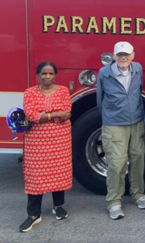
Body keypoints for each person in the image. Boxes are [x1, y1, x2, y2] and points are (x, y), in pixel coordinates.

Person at [97, 41, 145, 220]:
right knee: (116, 164)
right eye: (119, 54)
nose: (123, 57)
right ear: (114, 56)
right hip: (114, 125)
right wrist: (111, 117)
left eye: (126, 54)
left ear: (133, 56)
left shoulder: (137, 69)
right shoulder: (104, 74)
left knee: (138, 159)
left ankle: (138, 194)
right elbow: (100, 100)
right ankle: (114, 202)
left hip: (136, 123)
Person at [19, 62, 73, 232]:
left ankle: (58, 206)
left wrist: (44, 116)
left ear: (55, 75)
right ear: (38, 75)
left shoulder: (63, 91)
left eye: (50, 73)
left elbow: (67, 112)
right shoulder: (30, 93)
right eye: (44, 73)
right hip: (36, 142)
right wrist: (55, 115)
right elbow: (31, 115)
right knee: (36, 176)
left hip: (59, 141)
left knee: (58, 172)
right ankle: (34, 214)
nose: (47, 77)